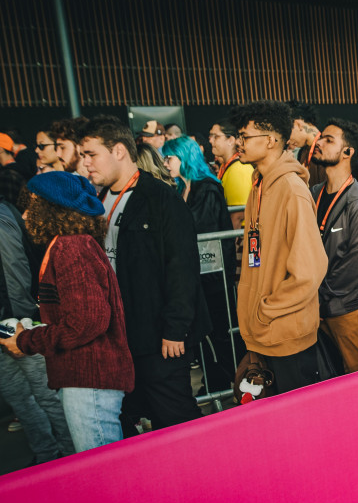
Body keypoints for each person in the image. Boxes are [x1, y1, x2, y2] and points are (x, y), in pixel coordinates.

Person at [81, 115, 208, 434]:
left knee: (176, 420)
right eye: (83, 156)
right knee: (130, 422)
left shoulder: (160, 198)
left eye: (92, 154)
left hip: (159, 337)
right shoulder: (97, 200)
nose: (86, 164)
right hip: (118, 335)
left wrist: (175, 329)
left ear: (119, 151)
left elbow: (182, 267)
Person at [0, 171, 133, 452]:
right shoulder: (71, 243)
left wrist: (26, 340)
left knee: (100, 466)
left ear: (51, 209)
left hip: (89, 378)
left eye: (33, 205)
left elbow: (88, 321)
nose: (25, 215)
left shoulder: (71, 247)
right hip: (86, 376)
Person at [231, 100, 327, 394]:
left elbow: (309, 271)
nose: (238, 143)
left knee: (300, 417)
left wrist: (265, 312)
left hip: (285, 334)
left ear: (271, 140)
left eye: (245, 136)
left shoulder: (292, 190)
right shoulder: (259, 186)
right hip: (264, 334)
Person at [0, 190, 74, 463]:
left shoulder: (1, 218)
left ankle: (72, 457)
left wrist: (21, 328)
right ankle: (46, 457)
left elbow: (14, 273)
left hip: (17, 324)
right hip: (11, 324)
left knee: (47, 397)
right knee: (20, 398)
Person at [162, 136, 237, 394]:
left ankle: (226, 382)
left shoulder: (206, 188)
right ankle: (215, 381)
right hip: (198, 272)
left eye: (169, 158)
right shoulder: (181, 187)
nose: (165, 163)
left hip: (214, 274)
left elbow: (200, 227)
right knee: (205, 333)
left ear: (185, 157)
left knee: (219, 333)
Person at [310, 119, 358, 374]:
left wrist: (318, 297)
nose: (319, 143)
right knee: (326, 377)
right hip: (315, 307)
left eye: (329, 140)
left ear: (348, 152)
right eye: (321, 137)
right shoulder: (313, 194)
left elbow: (355, 266)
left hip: (347, 309)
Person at [287, 101, 327, 189]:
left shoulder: (328, 150)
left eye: (287, 132)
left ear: (298, 125)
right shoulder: (302, 153)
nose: (288, 141)